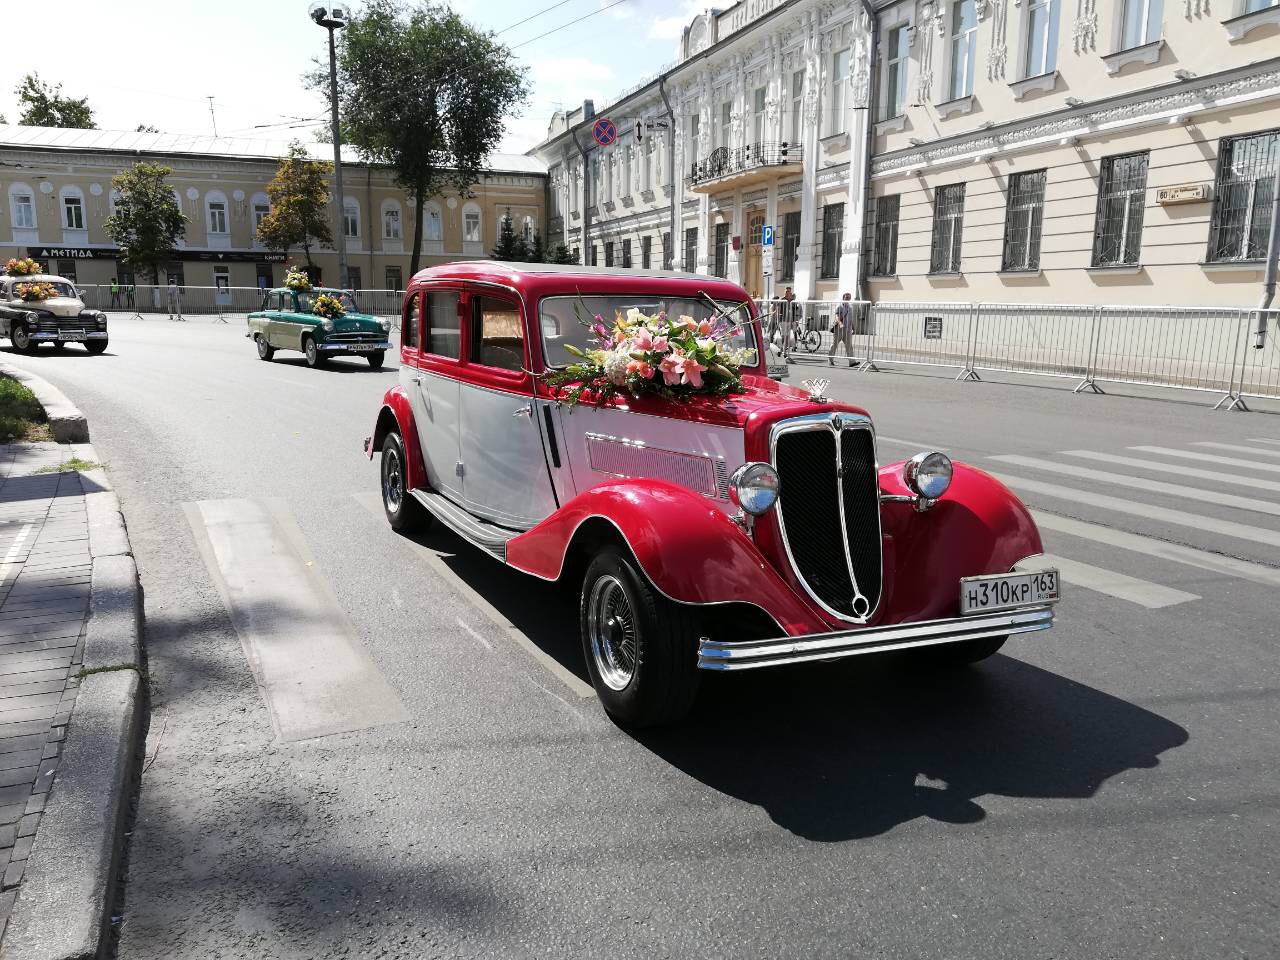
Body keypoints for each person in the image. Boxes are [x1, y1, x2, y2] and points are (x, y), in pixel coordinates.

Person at [829, 291, 854, 367]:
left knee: (849, 345)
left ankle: (852, 362)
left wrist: (853, 327)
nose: (847, 299)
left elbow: (850, 319)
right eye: (846, 297)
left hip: (847, 330)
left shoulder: (850, 307)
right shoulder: (839, 306)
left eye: (849, 298)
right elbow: (837, 316)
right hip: (839, 329)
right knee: (834, 345)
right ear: (843, 298)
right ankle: (830, 359)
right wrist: (840, 323)